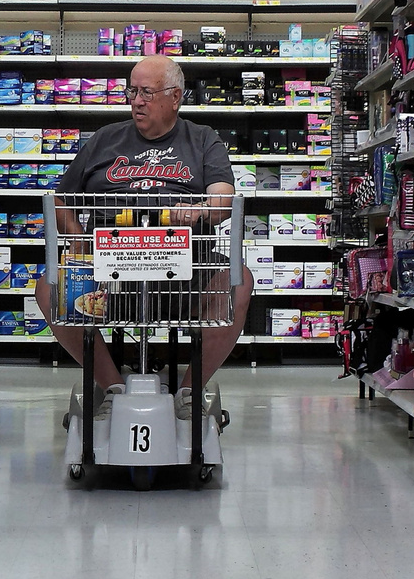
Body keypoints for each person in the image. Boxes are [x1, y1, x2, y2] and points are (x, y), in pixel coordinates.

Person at [35, 54, 252, 419]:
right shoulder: (105, 139)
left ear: (176, 97)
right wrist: (77, 240)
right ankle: (112, 385)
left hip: (187, 274)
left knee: (239, 282)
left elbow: (221, 197)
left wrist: (201, 209)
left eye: (146, 93)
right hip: (106, 276)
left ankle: (188, 390)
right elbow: (60, 199)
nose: (136, 100)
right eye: (131, 91)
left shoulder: (202, 140)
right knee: (47, 288)